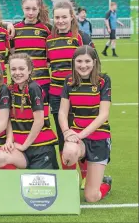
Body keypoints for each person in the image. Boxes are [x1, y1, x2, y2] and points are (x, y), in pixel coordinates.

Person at [46, 1, 93, 186]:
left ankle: (86, 176)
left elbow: (92, 65)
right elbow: (48, 63)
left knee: (82, 133)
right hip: (57, 95)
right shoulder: (49, 39)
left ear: (71, 17)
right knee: (62, 134)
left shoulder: (82, 37)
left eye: (64, 17)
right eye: (57, 17)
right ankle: (68, 179)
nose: (60, 21)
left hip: (80, 95)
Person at [59, 45, 112, 202]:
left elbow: (103, 115)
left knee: (91, 197)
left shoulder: (103, 80)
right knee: (68, 154)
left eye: (87, 61)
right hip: (77, 136)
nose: (83, 65)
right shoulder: (69, 81)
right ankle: (68, 189)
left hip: (99, 138)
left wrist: (80, 134)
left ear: (94, 62)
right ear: (73, 62)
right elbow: (62, 112)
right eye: (79, 61)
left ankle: (105, 183)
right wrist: (67, 132)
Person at [0, 53, 58, 169]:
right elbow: (9, 119)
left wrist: (24, 146)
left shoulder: (33, 88)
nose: (17, 73)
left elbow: (39, 121)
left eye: (21, 69)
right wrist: (9, 140)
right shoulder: (10, 89)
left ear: (29, 70)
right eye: (13, 69)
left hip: (40, 147)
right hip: (20, 146)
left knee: (41, 185)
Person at [10, 0, 51, 100]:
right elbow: (13, 53)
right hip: (20, 82)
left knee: (43, 114)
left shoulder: (46, 29)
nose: (31, 12)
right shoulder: (15, 29)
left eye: (34, 9)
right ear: (22, 7)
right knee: (22, 115)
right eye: (27, 9)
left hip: (42, 81)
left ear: (39, 9)